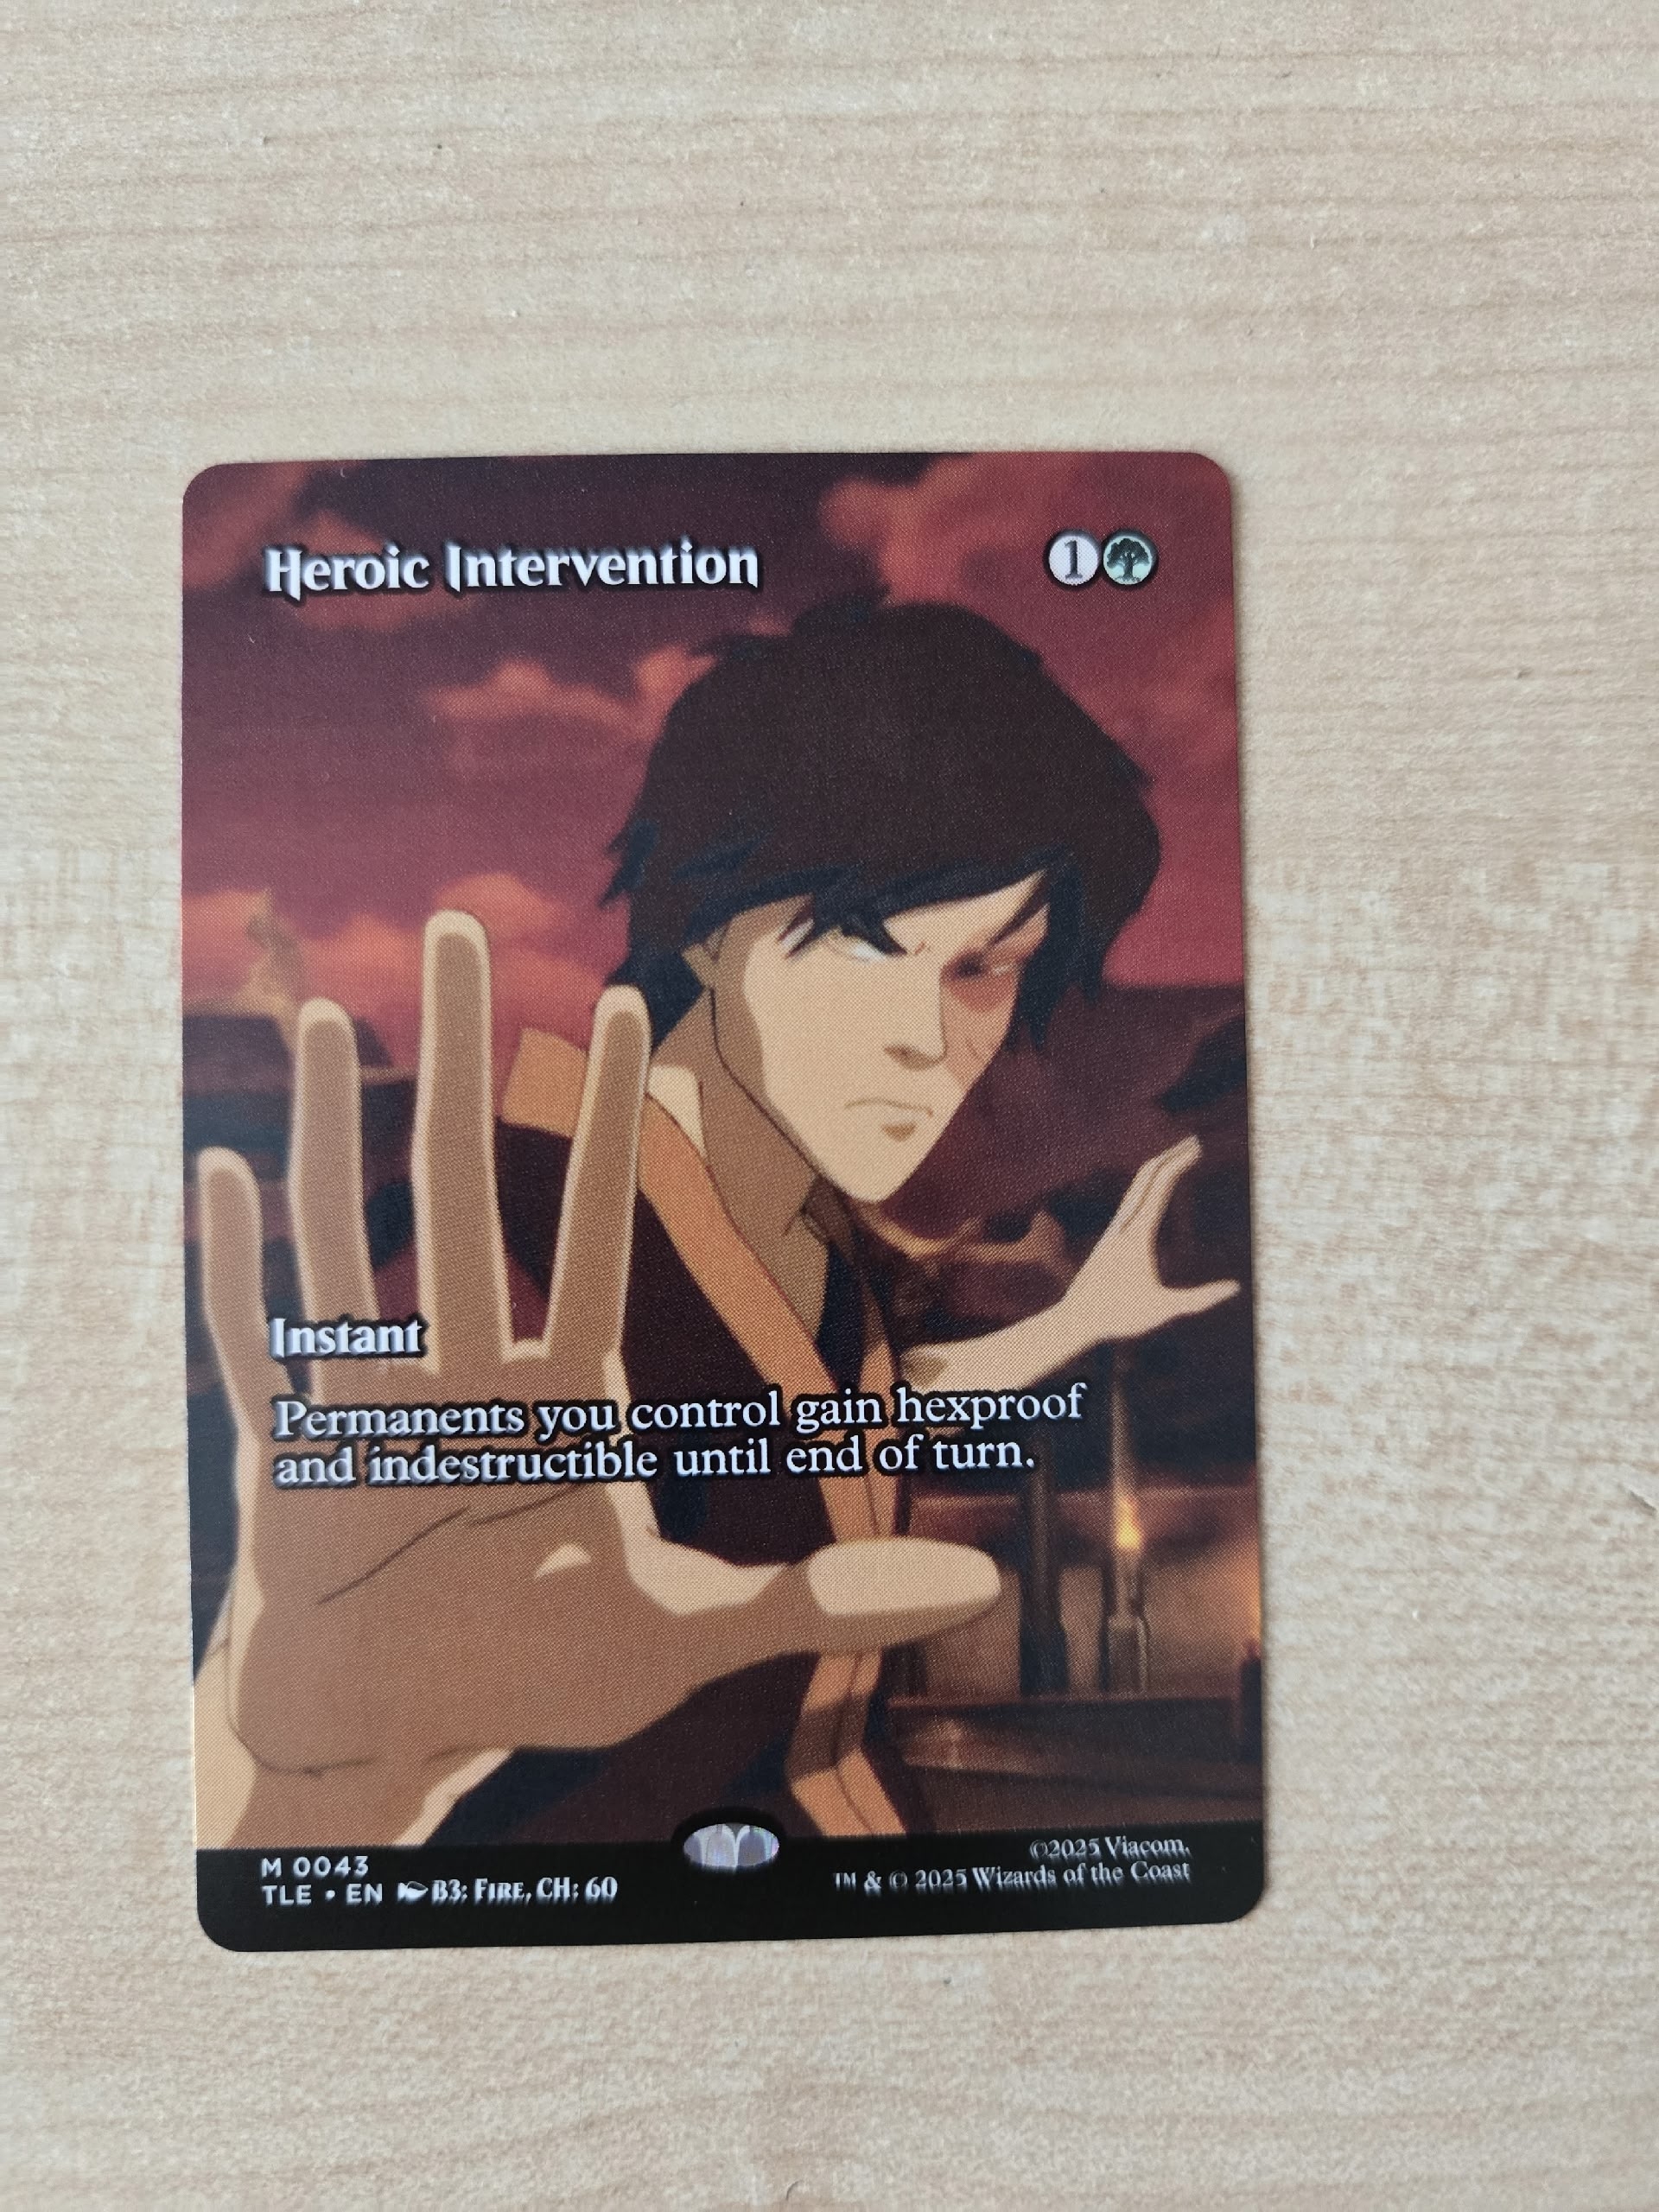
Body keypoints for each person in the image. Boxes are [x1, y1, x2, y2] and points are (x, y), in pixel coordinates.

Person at [193, 600, 1236, 1850]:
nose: (928, 1037)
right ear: (705, 932)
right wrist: (316, 1788)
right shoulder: (501, 1236)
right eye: (863, 946)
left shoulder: (799, 1225)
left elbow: (822, 1403)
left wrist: (1073, 1324)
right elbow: (293, 1697)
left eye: (982, 965)